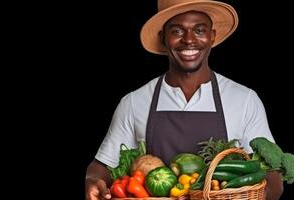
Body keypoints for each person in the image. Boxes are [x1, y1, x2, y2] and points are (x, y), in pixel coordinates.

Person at [85, 0, 283, 199]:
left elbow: (273, 173)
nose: (189, 40)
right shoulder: (134, 102)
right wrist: (93, 182)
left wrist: (260, 194)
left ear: (212, 36)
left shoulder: (244, 100)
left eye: (199, 30)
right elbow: (101, 168)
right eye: (177, 31)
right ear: (163, 38)